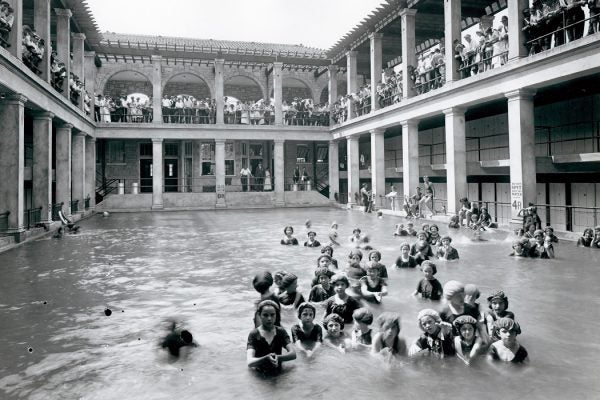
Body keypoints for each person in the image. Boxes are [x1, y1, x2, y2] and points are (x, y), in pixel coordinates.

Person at [247, 300, 296, 374]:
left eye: (272, 315)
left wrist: (278, 357)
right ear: (260, 315)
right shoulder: (254, 334)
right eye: (265, 315)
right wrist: (266, 358)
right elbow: (250, 362)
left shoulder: (281, 332)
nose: (269, 318)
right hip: (260, 375)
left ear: (276, 315)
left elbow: (293, 354)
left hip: (279, 374)